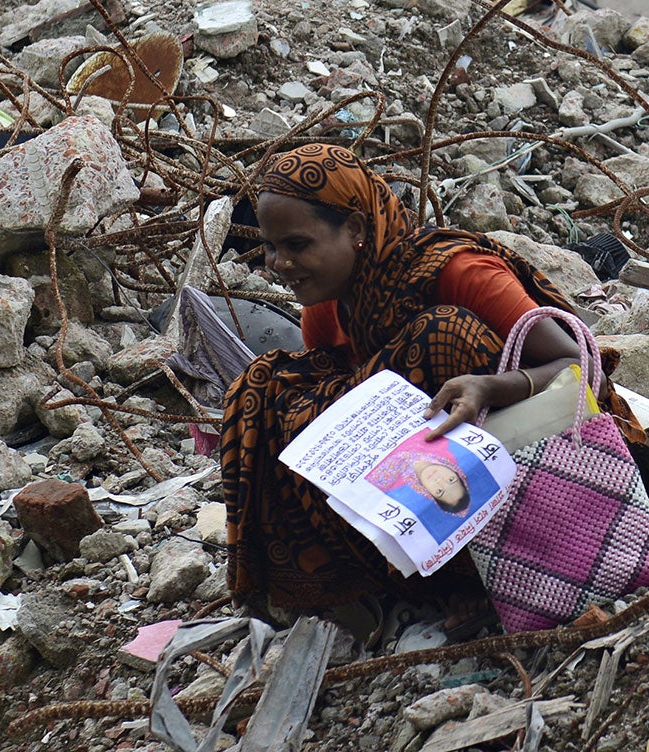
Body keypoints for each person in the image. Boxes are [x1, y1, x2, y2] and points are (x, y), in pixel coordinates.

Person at [220, 143, 623, 616]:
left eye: (297, 245)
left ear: (354, 228)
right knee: (267, 387)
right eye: (270, 247)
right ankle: (367, 578)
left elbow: (583, 366)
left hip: (551, 469)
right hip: (430, 484)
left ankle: (489, 570)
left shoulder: (457, 271)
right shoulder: (326, 307)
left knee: (441, 334)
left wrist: (489, 386)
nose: (279, 264)